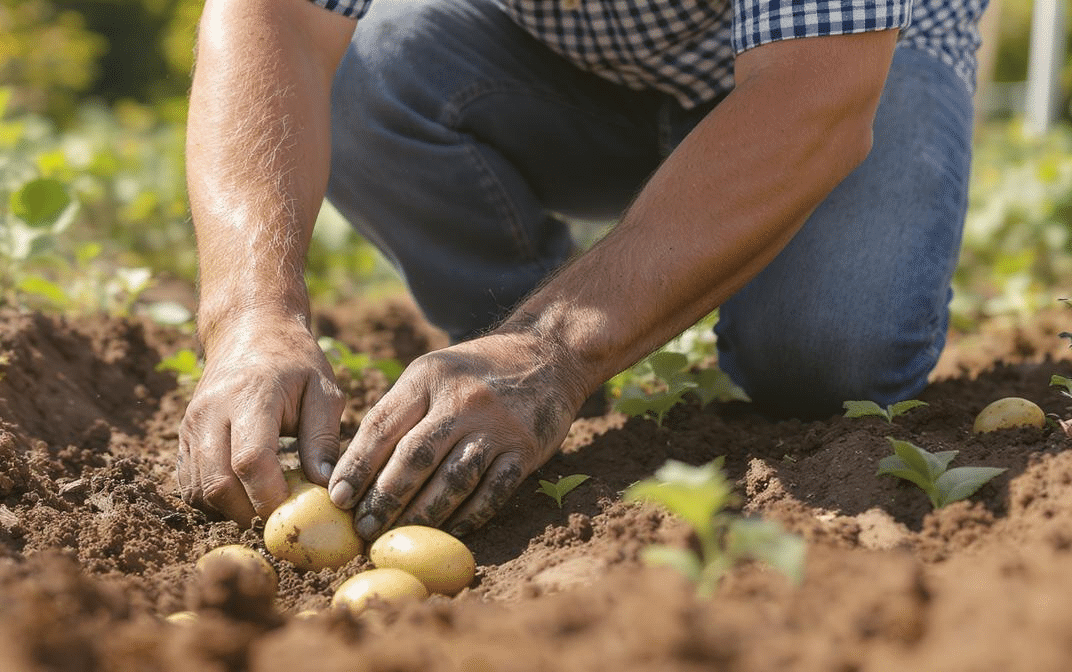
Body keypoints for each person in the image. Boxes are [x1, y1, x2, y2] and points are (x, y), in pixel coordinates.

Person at [177, 0, 984, 540]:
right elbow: (271, 17)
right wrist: (250, 315)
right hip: (551, 56)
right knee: (365, 77)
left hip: (845, 61)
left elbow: (820, 90)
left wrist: (556, 347)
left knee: (827, 354)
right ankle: (495, 371)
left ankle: (545, 357)